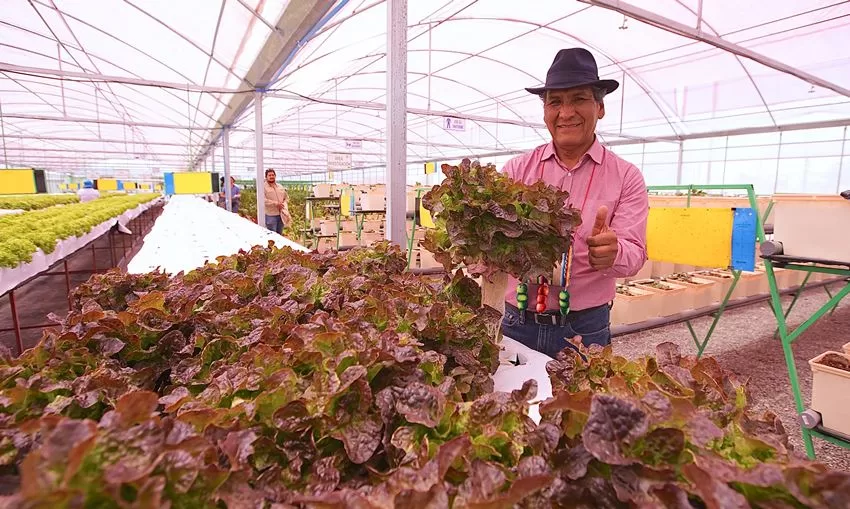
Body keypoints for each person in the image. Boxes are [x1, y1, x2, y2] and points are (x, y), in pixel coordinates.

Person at [499, 47, 649, 359]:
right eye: (555, 102)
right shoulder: (516, 171)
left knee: (583, 394)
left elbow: (635, 254)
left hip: (585, 327)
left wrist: (614, 253)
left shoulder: (626, 176)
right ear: (545, 111)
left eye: (579, 99)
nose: (566, 113)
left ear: (600, 107)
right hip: (517, 322)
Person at [264, 169, 291, 234]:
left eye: (273, 175)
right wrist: (275, 204)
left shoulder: (280, 186)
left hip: (281, 214)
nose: (271, 176)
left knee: (279, 234)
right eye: (269, 175)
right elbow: (263, 200)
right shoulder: (263, 187)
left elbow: (286, 197)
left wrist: (284, 205)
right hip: (271, 215)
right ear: (266, 177)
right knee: (272, 234)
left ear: (275, 176)